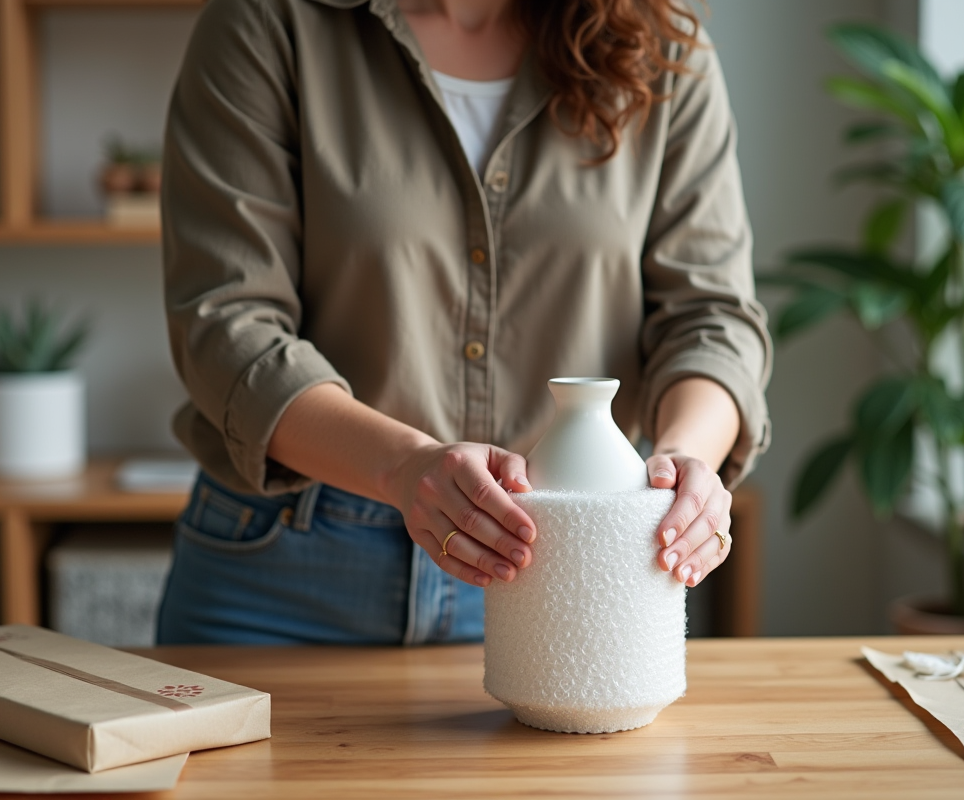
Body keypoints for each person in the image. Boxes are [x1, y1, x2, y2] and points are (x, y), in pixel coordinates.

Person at [156, 0, 771, 645]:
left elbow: (710, 317)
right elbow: (226, 322)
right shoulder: (269, 22)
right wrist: (402, 467)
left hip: (567, 564)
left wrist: (683, 463)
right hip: (288, 565)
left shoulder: (660, 44)